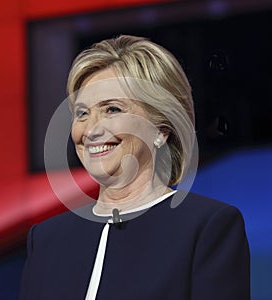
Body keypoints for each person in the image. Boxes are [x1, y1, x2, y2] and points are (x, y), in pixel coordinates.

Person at [19, 35, 250, 300]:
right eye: (82, 113)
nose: (91, 129)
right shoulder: (46, 240)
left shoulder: (207, 227)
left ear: (161, 131)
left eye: (113, 109)